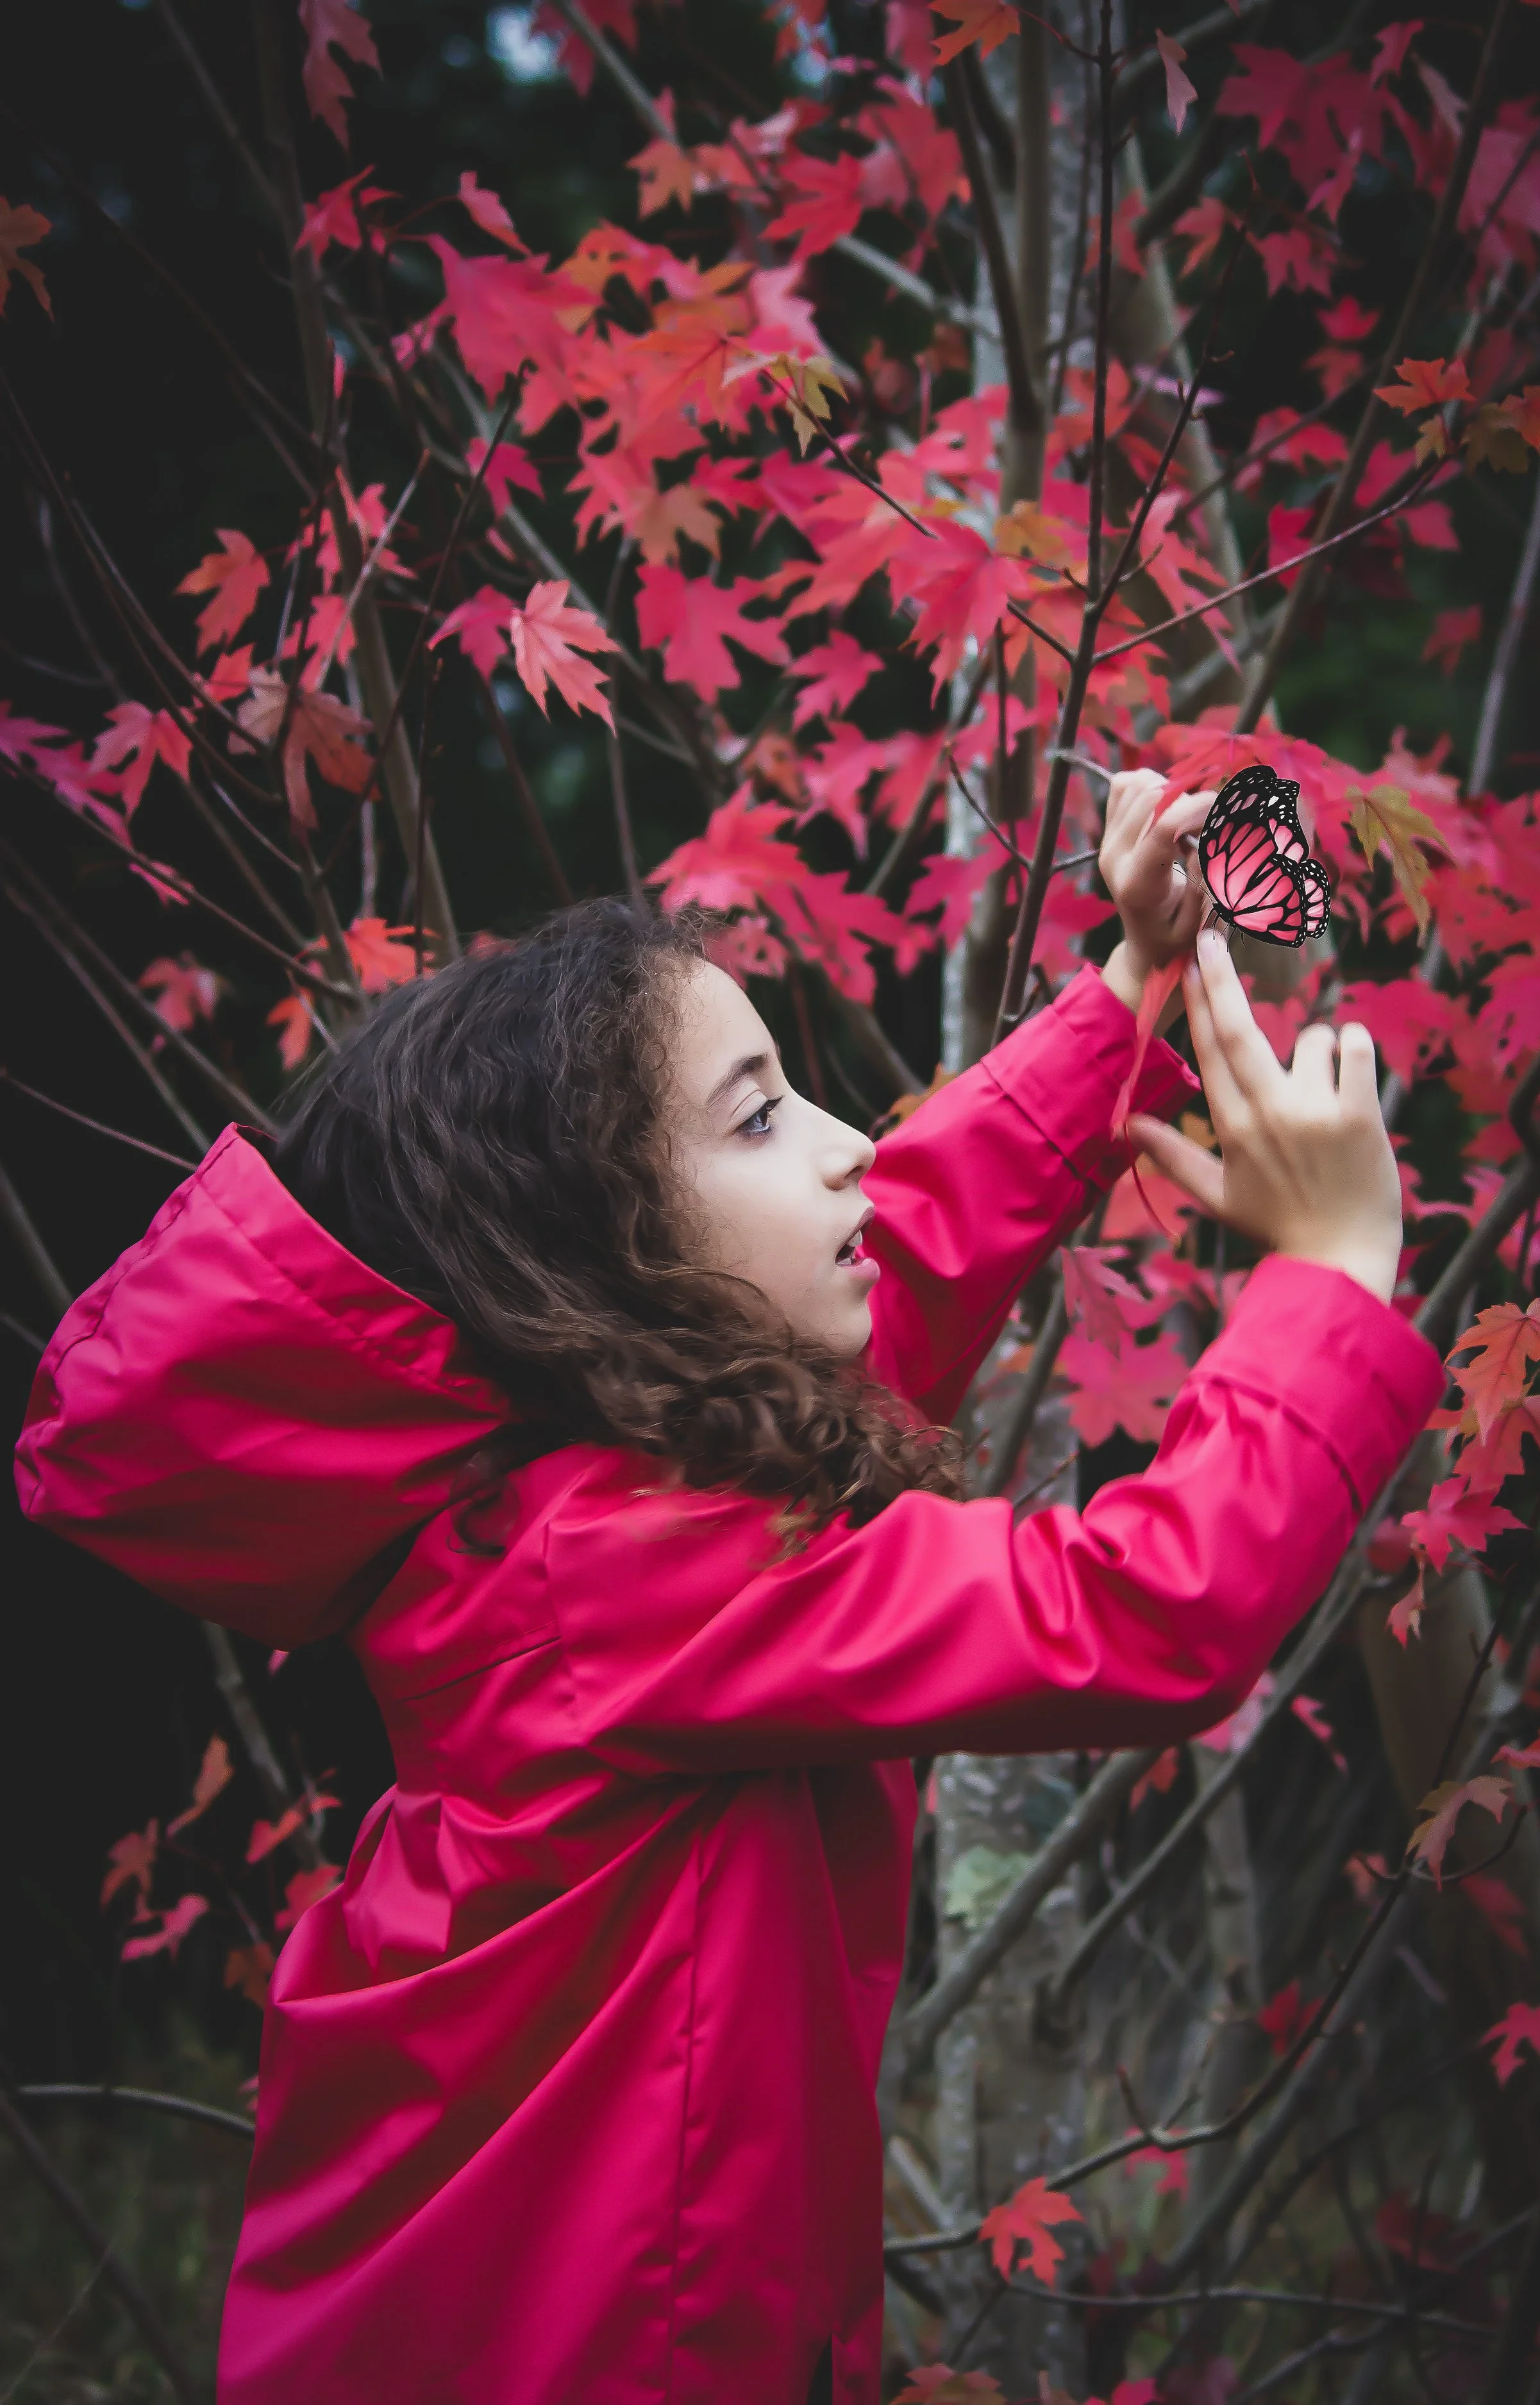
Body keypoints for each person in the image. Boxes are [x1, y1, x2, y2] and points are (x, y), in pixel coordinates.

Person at [14, 772, 1442, 2405]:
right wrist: (1327, 1283)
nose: (849, 1156)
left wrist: (1130, 990)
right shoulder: (610, 1572)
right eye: (759, 1117)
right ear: (596, 1261)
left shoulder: (597, 1494)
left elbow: (894, 1261)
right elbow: (1141, 1609)